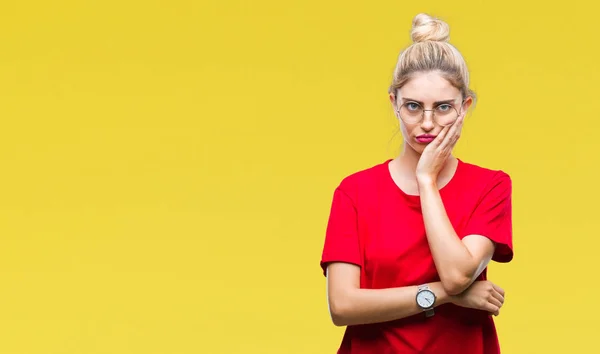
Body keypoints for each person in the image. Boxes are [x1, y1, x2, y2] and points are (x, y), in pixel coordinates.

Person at [319, 13, 514, 354]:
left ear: (464, 108)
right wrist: (443, 295)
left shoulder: (490, 186)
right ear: (394, 103)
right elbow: (342, 305)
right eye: (413, 106)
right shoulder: (355, 192)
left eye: (442, 108)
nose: (427, 123)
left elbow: (457, 273)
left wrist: (426, 180)